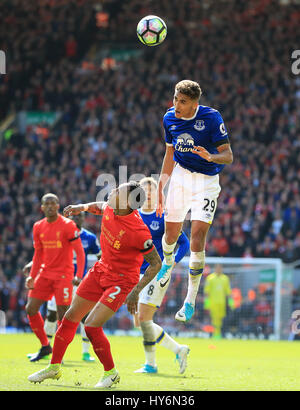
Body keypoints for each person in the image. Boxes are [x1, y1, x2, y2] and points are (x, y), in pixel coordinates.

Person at [28, 182, 162, 388]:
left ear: (127, 201)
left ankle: (111, 374)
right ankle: (54, 367)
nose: (113, 192)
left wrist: (136, 291)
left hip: (122, 280)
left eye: (118, 191)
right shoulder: (111, 207)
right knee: (70, 318)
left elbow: (156, 263)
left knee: (91, 326)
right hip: (100, 270)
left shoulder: (139, 231)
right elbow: (99, 206)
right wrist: (80, 207)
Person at [156, 79, 233, 322]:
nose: (177, 105)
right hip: (180, 177)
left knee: (197, 238)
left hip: (207, 183)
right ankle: (167, 263)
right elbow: (170, 153)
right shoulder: (169, 118)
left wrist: (210, 156)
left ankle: (189, 301)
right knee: (170, 235)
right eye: (175, 99)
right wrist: (160, 186)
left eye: (183, 101)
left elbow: (228, 156)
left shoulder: (211, 118)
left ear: (195, 104)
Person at [134, 177, 190, 374]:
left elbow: (185, 244)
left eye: (151, 190)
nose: (148, 194)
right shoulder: (133, 215)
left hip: (156, 273)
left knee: (143, 318)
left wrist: (171, 262)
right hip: (136, 274)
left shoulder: (163, 216)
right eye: (144, 190)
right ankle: (178, 349)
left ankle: (151, 364)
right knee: (140, 321)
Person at [25, 193, 85, 362]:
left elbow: (79, 252)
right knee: (30, 309)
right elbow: (38, 254)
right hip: (44, 274)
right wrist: (32, 276)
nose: (50, 206)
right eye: (47, 204)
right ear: (42, 207)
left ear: (58, 206)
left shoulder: (67, 225)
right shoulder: (38, 226)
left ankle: (59, 354)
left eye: (53, 203)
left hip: (63, 275)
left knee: (62, 315)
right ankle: (45, 346)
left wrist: (78, 275)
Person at [35, 212, 101, 362]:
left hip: (79, 283)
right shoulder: (61, 233)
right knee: (53, 314)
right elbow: (47, 253)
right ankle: (47, 348)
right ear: (70, 219)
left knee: (84, 316)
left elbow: (100, 257)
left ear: (84, 219)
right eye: (74, 217)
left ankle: (85, 352)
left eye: (80, 216)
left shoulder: (89, 237)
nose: (77, 219)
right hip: (59, 279)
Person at [204, 264, 233, 339]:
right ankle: (216, 334)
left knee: (220, 318)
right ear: (215, 268)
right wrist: (207, 304)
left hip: (222, 302)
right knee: (214, 318)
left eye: (220, 268)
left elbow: (228, 292)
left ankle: (218, 333)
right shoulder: (210, 278)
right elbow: (207, 292)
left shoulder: (225, 278)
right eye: (217, 268)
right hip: (213, 302)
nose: (219, 269)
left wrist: (230, 303)